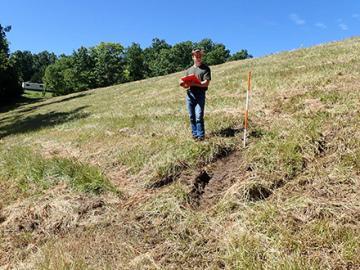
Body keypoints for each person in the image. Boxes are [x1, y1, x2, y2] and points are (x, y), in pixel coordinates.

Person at [179, 48, 211, 141]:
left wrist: (194, 84)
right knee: (191, 116)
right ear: (193, 57)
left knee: (198, 115)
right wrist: (182, 84)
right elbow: (186, 85)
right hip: (190, 95)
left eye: (200, 56)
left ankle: (201, 136)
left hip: (200, 94)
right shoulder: (189, 70)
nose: (198, 58)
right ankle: (195, 135)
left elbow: (206, 83)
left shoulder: (205, 69)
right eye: (196, 56)